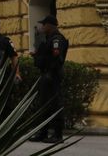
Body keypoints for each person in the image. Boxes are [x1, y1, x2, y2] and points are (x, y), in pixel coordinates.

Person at [30, 14, 69, 143]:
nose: (42, 26)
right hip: (46, 75)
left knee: (55, 104)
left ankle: (57, 135)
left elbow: (56, 59)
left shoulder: (57, 39)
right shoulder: (49, 39)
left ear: (50, 25)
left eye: (44, 24)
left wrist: (50, 72)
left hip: (52, 76)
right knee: (44, 105)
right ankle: (43, 132)